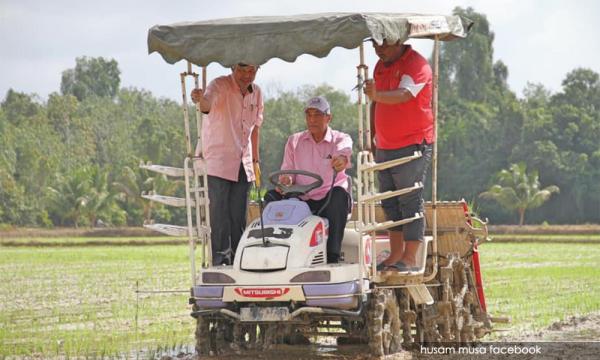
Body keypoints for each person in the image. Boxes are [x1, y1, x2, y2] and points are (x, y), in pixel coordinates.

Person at [363, 39, 433, 272]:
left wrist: (376, 94)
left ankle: (410, 258)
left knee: (409, 198)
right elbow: (375, 103)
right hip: (384, 145)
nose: (379, 51)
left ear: (398, 41)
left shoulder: (416, 65)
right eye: (375, 47)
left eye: (383, 46)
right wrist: (373, 136)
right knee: (390, 201)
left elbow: (404, 94)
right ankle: (395, 255)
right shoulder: (380, 65)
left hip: (412, 143)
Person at [264, 96, 352, 264]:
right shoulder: (294, 141)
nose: (312, 119)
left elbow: (344, 152)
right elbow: (287, 172)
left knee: (339, 196)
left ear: (328, 117)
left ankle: (332, 256)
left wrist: (341, 159)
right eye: (309, 115)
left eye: (318, 115)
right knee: (271, 198)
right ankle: (277, 255)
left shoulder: (340, 138)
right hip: (302, 198)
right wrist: (286, 180)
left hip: (328, 198)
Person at [191, 63, 263, 266]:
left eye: (252, 71)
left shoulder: (256, 93)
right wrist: (199, 99)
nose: (247, 75)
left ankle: (239, 261)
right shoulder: (219, 85)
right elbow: (206, 105)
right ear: (233, 67)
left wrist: (256, 160)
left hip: (244, 162)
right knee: (219, 214)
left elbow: (256, 127)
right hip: (219, 161)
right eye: (242, 70)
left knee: (238, 216)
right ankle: (220, 261)